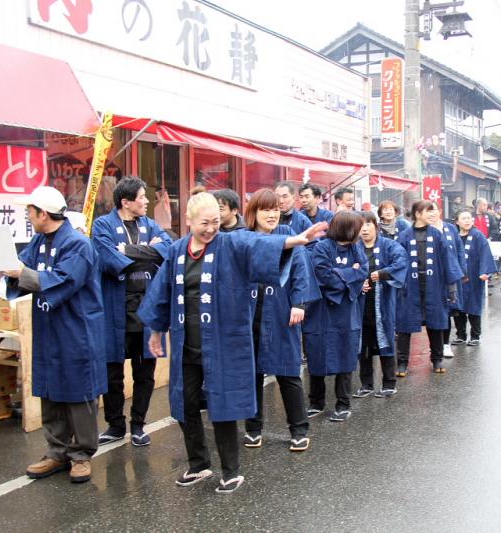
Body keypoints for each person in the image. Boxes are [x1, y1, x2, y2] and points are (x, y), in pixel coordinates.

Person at [139, 191, 326, 494]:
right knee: (185, 405)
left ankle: (231, 471)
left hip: (221, 344)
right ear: (187, 220)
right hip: (187, 344)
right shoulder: (176, 251)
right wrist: (156, 332)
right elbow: (161, 293)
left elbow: (258, 244)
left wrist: (293, 240)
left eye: (215, 222)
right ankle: (198, 464)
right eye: (204, 223)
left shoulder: (229, 243)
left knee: (221, 405)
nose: (211, 228)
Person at [5, 186, 107, 484]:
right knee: (50, 389)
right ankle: (56, 452)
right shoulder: (38, 240)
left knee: (78, 392)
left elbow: (63, 280)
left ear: (43, 213)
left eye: (30, 211)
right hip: (49, 326)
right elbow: (22, 271)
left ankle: (81, 454)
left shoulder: (78, 244)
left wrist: (19, 273)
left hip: (76, 329)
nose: (28, 215)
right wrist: (12, 272)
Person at [92, 177, 172, 447]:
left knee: (145, 370)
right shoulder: (103, 224)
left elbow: (167, 249)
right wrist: (148, 253)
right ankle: (115, 425)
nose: (147, 201)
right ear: (125, 202)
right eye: (142, 197)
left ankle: (138, 424)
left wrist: (127, 250)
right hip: (116, 306)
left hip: (146, 308)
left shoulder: (149, 224)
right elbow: (106, 257)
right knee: (112, 370)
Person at [241, 189, 321, 452]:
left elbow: (300, 270)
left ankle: (299, 429)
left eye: (275, 209)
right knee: (252, 374)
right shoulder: (243, 239)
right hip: (250, 313)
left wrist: (298, 303)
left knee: (288, 371)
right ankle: (253, 429)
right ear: (253, 213)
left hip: (281, 311)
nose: (272, 214)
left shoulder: (289, 235)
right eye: (266, 209)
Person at [303, 211, 369, 421]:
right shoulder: (322, 247)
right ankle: (316, 402)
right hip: (321, 311)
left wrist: (344, 274)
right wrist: (350, 273)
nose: (360, 232)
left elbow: (363, 272)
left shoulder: (356, 248)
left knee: (345, 355)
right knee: (317, 354)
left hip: (347, 312)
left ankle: (343, 403)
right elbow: (323, 275)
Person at [395, 201, 463, 376]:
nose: (432, 214)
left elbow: (448, 261)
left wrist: (452, 288)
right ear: (417, 214)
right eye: (428, 211)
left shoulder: (437, 234)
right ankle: (402, 362)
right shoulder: (404, 236)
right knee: (405, 324)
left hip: (434, 284)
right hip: (410, 286)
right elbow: (397, 262)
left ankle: (437, 359)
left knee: (436, 323)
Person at [354, 212, 408, 398]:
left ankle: (389, 383)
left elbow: (402, 262)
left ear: (376, 227)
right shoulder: (354, 248)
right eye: (361, 225)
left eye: (368, 224)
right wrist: (357, 281)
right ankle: (366, 384)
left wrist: (384, 273)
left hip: (382, 304)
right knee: (364, 345)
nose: (365, 229)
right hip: (360, 304)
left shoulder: (389, 245)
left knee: (386, 340)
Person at [452, 210, 497, 345]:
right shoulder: (453, 236)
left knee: (473, 305)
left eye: (469, 218)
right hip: (457, 276)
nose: (467, 221)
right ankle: (460, 335)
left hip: (474, 275)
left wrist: (485, 271)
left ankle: (475, 335)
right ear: (457, 222)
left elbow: (485, 253)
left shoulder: (478, 236)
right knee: (458, 306)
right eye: (463, 218)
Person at [431, 214, 467, 358]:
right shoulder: (424, 230)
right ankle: (435, 346)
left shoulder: (450, 228)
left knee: (447, 310)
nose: (431, 213)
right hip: (431, 277)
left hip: (450, 276)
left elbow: (460, 251)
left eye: (433, 209)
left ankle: (445, 344)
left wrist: (462, 271)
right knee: (433, 312)